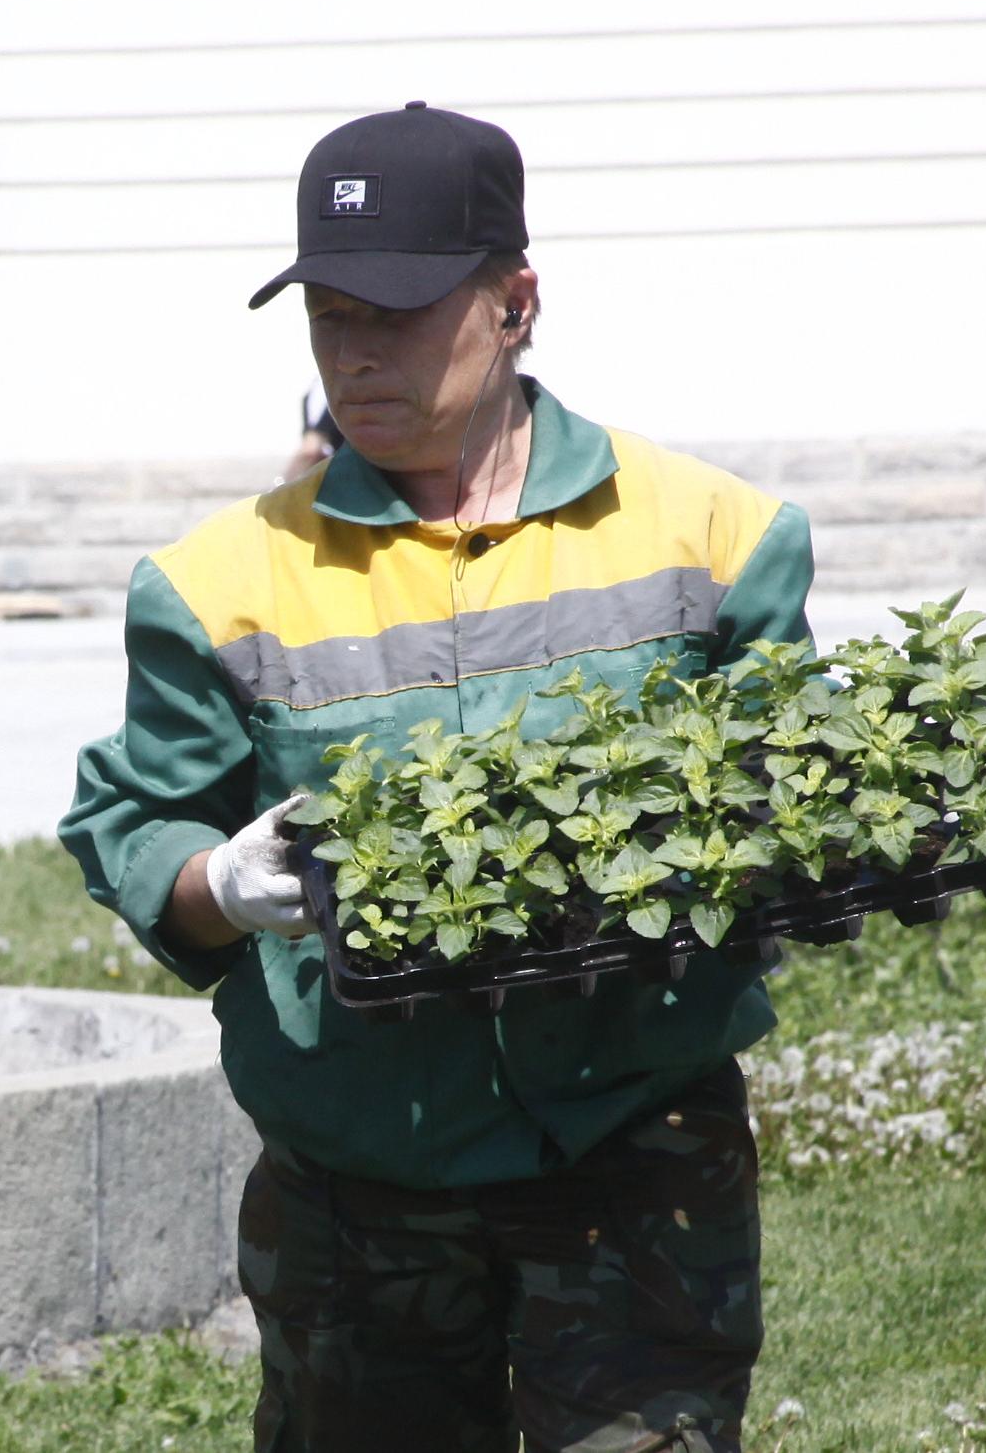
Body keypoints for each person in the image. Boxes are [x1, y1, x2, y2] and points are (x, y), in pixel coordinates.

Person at [59, 102, 814, 1453]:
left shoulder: (715, 532)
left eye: (397, 314)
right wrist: (214, 883)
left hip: (631, 1151)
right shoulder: (218, 583)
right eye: (328, 317)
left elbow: (793, 786)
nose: (356, 354)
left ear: (516, 301)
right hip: (362, 1181)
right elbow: (141, 821)